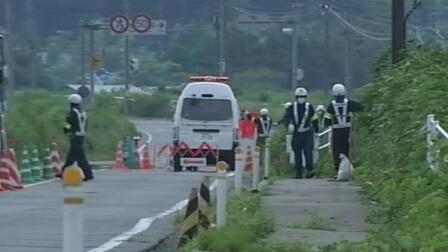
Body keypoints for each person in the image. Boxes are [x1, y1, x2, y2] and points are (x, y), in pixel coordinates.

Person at [324, 83, 363, 179]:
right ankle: (349, 169)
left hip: (336, 132)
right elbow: (361, 107)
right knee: (348, 149)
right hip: (348, 130)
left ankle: (338, 170)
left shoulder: (331, 106)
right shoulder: (350, 103)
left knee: (337, 151)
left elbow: (327, 121)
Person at [282, 87, 318, 179]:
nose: (301, 98)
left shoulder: (309, 107)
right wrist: (287, 125)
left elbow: (314, 118)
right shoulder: (291, 107)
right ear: (296, 97)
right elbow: (286, 118)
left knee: (308, 152)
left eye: (302, 96)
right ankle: (299, 172)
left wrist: (316, 129)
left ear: (306, 97)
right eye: (299, 96)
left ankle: (309, 170)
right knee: (297, 152)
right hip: (296, 133)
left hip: (307, 133)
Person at [59, 94, 94, 181]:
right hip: (81, 136)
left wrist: (66, 130)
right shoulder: (83, 113)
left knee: (78, 158)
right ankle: (63, 172)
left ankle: (88, 174)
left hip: (75, 137)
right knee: (73, 156)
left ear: (71, 103)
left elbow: (67, 124)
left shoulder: (72, 113)